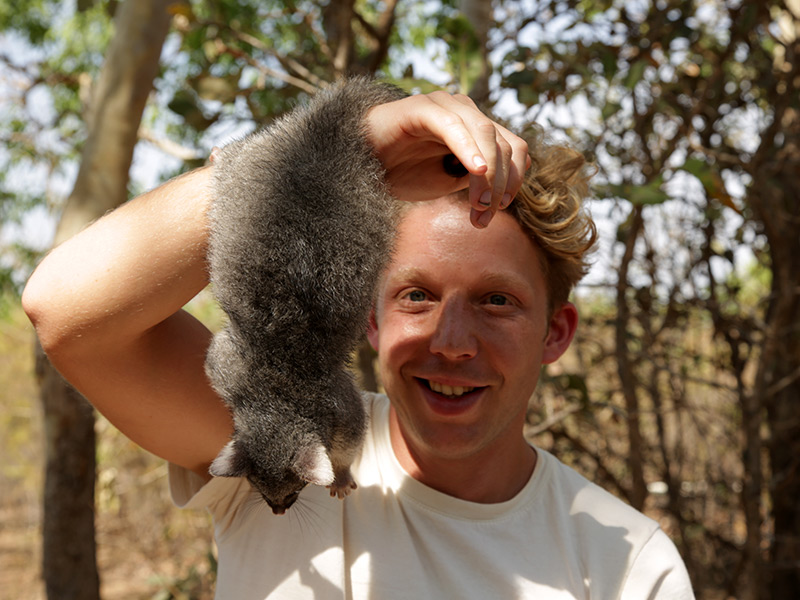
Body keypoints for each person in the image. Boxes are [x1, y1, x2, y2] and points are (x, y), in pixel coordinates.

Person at [22, 84, 694, 598]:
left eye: (497, 301)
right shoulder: (289, 441)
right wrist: (331, 160)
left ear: (556, 332)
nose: (452, 342)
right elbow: (64, 310)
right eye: (416, 296)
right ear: (369, 318)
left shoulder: (627, 566)